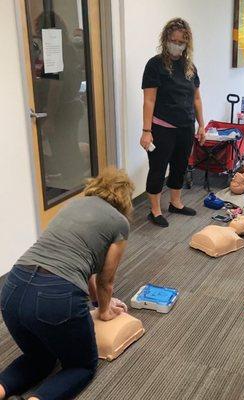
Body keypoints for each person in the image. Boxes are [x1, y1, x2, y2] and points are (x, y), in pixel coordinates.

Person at [0, 168, 134, 400]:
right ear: (124, 197)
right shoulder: (119, 223)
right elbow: (105, 279)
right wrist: (104, 311)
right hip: (56, 296)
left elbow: (87, 268)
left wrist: (95, 302)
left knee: (39, 358)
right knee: (80, 366)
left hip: (12, 287)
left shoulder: (72, 206)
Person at [141, 18, 206, 228]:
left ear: (187, 43)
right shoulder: (155, 65)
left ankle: (176, 203)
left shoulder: (190, 67)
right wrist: (146, 130)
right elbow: (149, 100)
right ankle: (155, 210)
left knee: (180, 167)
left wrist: (202, 125)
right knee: (158, 169)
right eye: (173, 40)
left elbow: (196, 98)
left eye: (181, 41)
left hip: (186, 127)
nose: (177, 45)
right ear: (165, 39)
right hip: (162, 127)